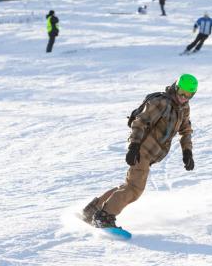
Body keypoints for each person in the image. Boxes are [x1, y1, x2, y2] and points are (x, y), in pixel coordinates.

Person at [83, 74, 198, 228]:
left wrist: (187, 152)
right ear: (176, 87)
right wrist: (134, 146)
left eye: (189, 95)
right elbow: (140, 122)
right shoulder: (161, 102)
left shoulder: (183, 107)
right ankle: (104, 216)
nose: (184, 97)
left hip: (151, 154)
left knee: (129, 185)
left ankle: (93, 209)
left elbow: (186, 130)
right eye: (182, 92)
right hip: (141, 150)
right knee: (134, 189)